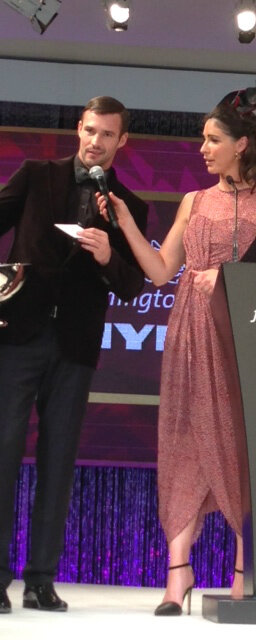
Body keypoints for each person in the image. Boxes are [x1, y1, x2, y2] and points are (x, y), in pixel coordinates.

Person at [97, 82, 256, 615]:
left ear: (241, 146)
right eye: (203, 140)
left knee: (236, 446)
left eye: (212, 140)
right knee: (184, 439)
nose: (202, 149)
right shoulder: (192, 200)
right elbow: (162, 272)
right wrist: (126, 225)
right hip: (189, 332)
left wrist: (231, 284)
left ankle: (240, 571)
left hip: (241, 339)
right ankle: (177, 573)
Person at [0, 96, 148, 614]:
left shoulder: (130, 204)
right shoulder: (36, 175)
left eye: (107, 135)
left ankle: (41, 579)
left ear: (121, 141)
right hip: (18, 337)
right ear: (77, 131)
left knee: (58, 462)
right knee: (2, 453)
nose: (95, 141)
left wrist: (110, 258)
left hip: (77, 347)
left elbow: (134, 284)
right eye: (89, 131)